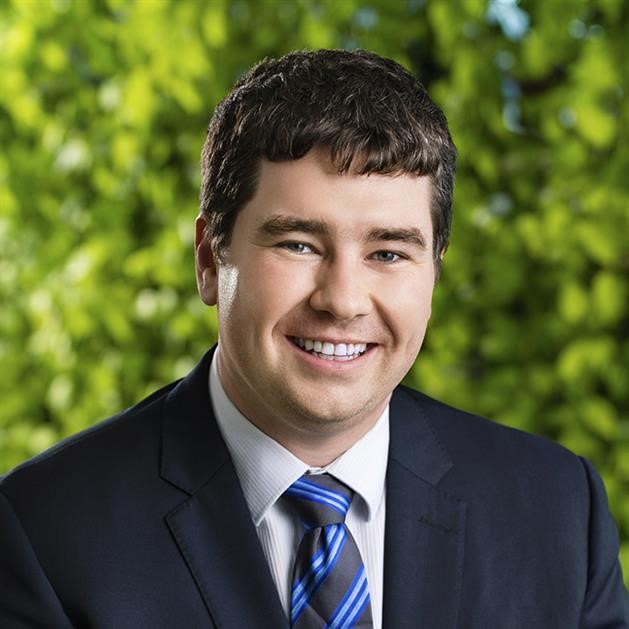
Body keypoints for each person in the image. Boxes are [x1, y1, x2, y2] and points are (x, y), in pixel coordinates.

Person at [0, 49, 626, 629]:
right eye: (298, 245)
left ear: (434, 272)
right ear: (210, 260)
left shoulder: (557, 510)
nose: (343, 300)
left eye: (388, 253)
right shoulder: (45, 532)